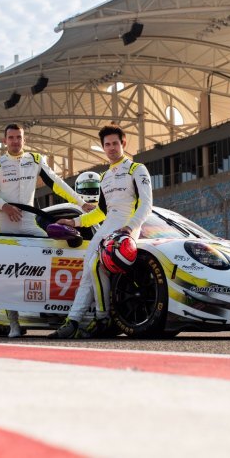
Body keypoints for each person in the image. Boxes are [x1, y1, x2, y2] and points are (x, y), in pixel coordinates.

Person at [0, 123, 95, 337]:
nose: (15, 141)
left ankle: (55, 311)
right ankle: (14, 323)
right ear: (5, 141)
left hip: (30, 223)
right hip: (5, 225)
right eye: (11, 137)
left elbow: (57, 184)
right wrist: (3, 206)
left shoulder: (35, 160)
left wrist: (80, 203)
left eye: (18, 137)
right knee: (9, 273)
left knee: (51, 255)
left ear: (24, 139)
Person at [48, 124, 152, 339]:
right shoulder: (103, 177)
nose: (112, 148)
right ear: (103, 147)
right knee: (87, 271)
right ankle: (73, 321)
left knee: (96, 266)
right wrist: (74, 222)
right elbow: (101, 212)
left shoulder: (136, 169)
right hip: (106, 228)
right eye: (107, 144)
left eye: (115, 143)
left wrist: (130, 227)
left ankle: (102, 317)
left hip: (126, 229)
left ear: (123, 143)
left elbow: (146, 205)